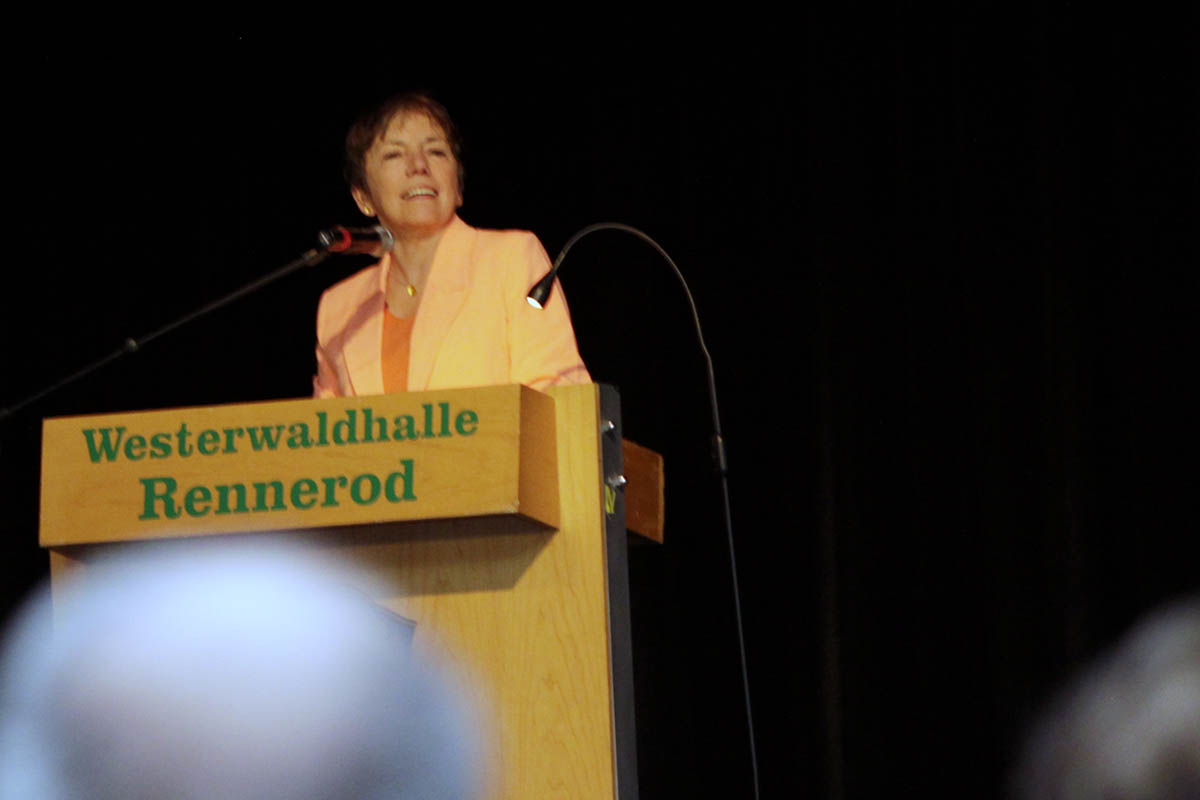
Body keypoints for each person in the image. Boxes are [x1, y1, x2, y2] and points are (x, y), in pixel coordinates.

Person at [314, 93, 590, 397]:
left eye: (436, 152)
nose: (418, 166)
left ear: (457, 188)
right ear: (363, 197)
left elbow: (560, 396)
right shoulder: (339, 309)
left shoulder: (510, 259)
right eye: (394, 154)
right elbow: (326, 434)